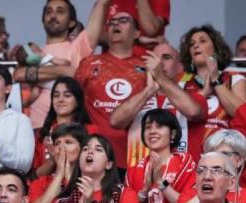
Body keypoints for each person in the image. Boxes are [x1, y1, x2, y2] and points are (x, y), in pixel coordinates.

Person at [109, 41, 205, 168]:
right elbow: (115, 121)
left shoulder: (192, 94)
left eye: (166, 57)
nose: (159, 63)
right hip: (139, 179)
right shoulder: (139, 96)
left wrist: (160, 76)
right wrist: (149, 90)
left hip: (180, 178)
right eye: (155, 59)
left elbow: (193, 112)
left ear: (180, 66)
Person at [74, 4, 147, 169]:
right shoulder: (88, 63)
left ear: (136, 33)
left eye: (123, 20)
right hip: (94, 155)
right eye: (111, 22)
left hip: (135, 157)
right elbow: (73, 103)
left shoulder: (148, 67)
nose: (116, 24)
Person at [15, 0, 107, 129]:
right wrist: (64, 70)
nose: (53, 15)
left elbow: (101, 4)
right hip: (33, 128)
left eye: (60, 11)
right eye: (49, 11)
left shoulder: (78, 46)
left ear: (71, 22)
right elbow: (18, 74)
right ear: (43, 20)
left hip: (66, 130)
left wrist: (36, 73)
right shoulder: (34, 52)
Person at [124, 109, 197, 203]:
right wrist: (144, 190)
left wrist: (160, 182)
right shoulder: (134, 170)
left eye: (159, 126)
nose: (152, 131)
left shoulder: (185, 165)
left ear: (172, 134)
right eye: (148, 127)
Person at [177, 25, 246, 132]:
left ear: (216, 49)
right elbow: (176, 122)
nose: (196, 45)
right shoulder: (182, 86)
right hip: (192, 147)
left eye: (202, 41)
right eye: (192, 44)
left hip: (226, 146)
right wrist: (203, 93)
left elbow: (243, 115)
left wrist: (216, 80)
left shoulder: (236, 80)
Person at [33, 78, 93, 179]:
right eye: (56, 95)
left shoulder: (90, 130)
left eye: (67, 95)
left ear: (78, 101)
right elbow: (35, 176)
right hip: (46, 189)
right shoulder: (43, 133)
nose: (60, 100)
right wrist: (52, 161)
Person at [28, 123, 88, 203]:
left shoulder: (90, 180)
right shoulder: (39, 183)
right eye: (57, 143)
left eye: (68, 142)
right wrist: (59, 176)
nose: (61, 147)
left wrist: (68, 177)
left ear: (82, 149)